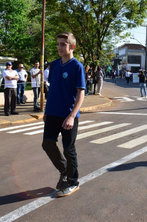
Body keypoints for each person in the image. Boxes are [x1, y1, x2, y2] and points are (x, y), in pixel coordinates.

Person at [42, 32, 85, 198]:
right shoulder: (53, 65)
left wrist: (72, 116)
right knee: (47, 144)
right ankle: (64, 170)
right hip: (52, 113)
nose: (59, 47)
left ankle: (73, 182)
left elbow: (80, 93)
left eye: (63, 44)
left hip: (68, 115)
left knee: (69, 149)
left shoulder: (77, 66)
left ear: (71, 47)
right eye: (58, 44)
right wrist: (46, 111)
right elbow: (52, 90)